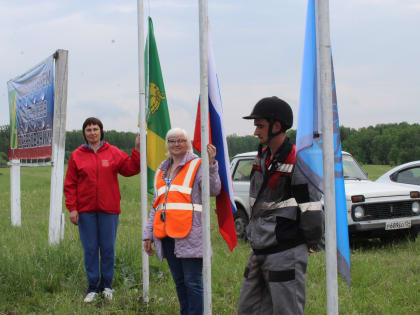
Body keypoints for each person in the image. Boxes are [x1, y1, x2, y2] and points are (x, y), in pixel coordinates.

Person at [237, 97, 323, 315]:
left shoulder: (297, 160)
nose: (255, 131)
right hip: (259, 249)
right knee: (248, 310)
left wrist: (311, 242)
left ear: (277, 126)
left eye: (260, 125)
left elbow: (310, 207)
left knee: (287, 311)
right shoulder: (262, 157)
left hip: (285, 252)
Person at [143, 127, 221, 315]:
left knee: (192, 282)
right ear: (167, 145)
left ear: (188, 144)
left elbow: (214, 190)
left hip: (191, 235)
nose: (177, 144)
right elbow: (156, 206)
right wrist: (148, 235)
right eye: (172, 141)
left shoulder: (197, 164)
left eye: (181, 140)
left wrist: (210, 165)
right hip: (167, 234)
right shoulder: (161, 170)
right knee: (179, 282)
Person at [64, 117, 140, 303]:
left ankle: (107, 286)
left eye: (95, 129)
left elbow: (130, 168)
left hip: (109, 210)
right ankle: (92, 288)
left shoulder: (113, 152)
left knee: (107, 249)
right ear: (84, 133)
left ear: (101, 131)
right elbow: (70, 184)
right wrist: (72, 208)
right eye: (88, 129)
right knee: (90, 249)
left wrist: (137, 149)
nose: (92, 132)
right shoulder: (77, 155)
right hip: (86, 211)